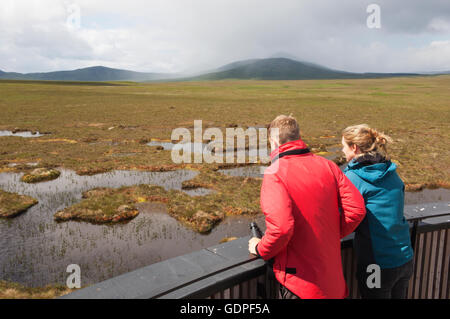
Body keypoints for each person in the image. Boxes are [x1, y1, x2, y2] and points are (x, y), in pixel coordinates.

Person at [248, 115, 366, 299]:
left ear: (273, 141)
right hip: (333, 284)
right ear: (298, 136)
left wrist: (259, 248)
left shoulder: (275, 173)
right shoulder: (328, 166)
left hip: (299, 287)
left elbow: (281, 229)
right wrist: (328, 233)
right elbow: (357, 210)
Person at [341, 124, 414, 299]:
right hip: (404, 257)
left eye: (343, 146)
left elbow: (343, 214)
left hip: (377, 264)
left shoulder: (353, 178)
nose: (342, 151)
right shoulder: (391, 171)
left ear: (354, 148)